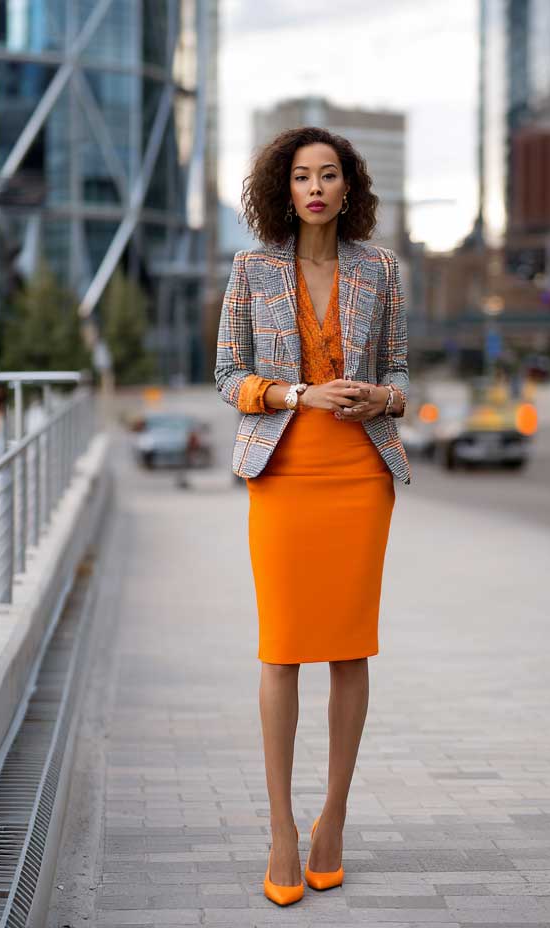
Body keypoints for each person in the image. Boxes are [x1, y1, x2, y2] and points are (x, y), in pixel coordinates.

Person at [213, 126, 410, 906]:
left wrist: (380, 397)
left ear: (349, 187)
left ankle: (333, 818)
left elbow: (400, 370)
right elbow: (228, 374)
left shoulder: (383, 269)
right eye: (302, 176)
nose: (317, 187)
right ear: (284, 189)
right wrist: (296, 394)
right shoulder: (251, 269)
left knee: (350, 650)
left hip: (362, 473)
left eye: (329, 175)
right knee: (283, 648)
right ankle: (282, 830)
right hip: (285, 472)